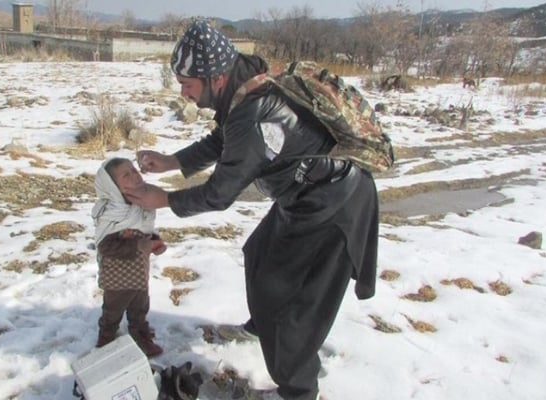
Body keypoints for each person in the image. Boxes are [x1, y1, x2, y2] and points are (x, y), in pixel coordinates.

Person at [124, 20, 379, 400]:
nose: (184, 93)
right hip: (308, 196)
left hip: (331, 207)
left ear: (216, 77)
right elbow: (223, 140)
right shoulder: (245, 90)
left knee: (289, 306)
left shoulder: (255, 112)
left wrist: (164, 199)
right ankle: (263, 328)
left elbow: (219, 193)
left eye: (188, 84)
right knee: (258, 254)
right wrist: (171, 161)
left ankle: (298, 390)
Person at [91, 157, 167, 358]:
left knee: (140, 307)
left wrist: (155, 242)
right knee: (112, 310)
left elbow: (145, 231)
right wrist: (141, 245)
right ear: (112, 186)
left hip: (139, 271)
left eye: (134, 170)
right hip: (117, 277)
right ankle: (106, 338)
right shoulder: (110, 213)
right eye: (126, 175)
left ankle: (141, 336)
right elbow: (106, 246)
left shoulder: (142, 206)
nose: (135, 176)